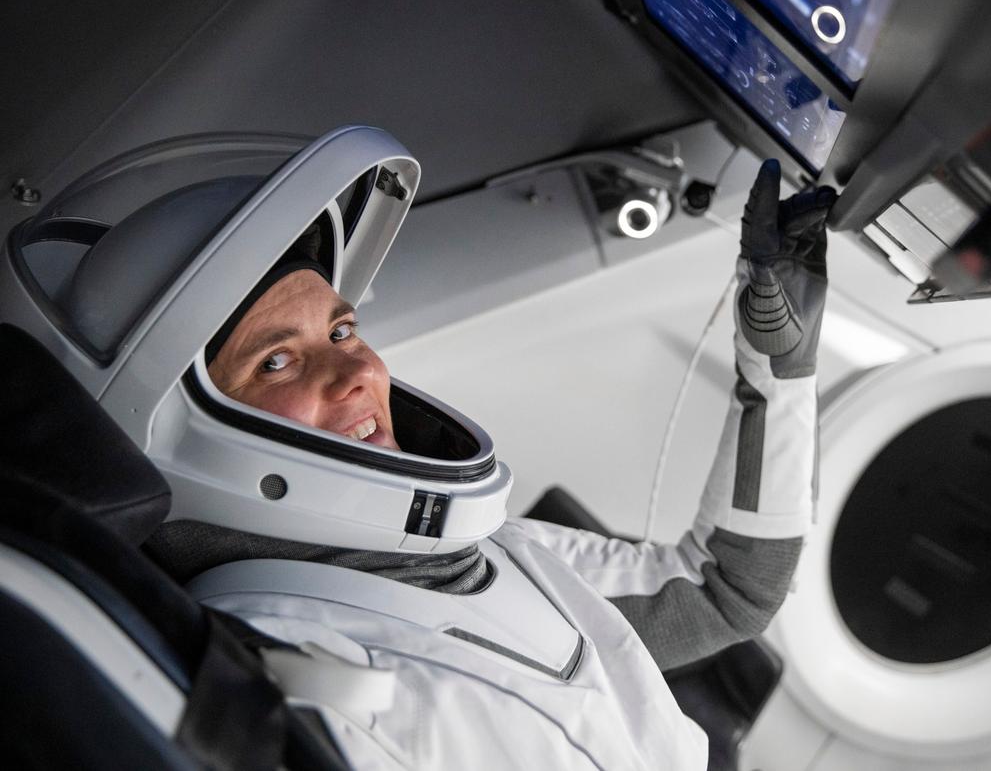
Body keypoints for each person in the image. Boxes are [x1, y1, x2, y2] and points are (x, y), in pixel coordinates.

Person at [0, 126, 832, 769]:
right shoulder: (274, 673)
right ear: (179, 429)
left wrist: (777, 369)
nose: (359, 367)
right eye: (278, 357)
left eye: (343, 326)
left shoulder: (500, 550)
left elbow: (727, 590)